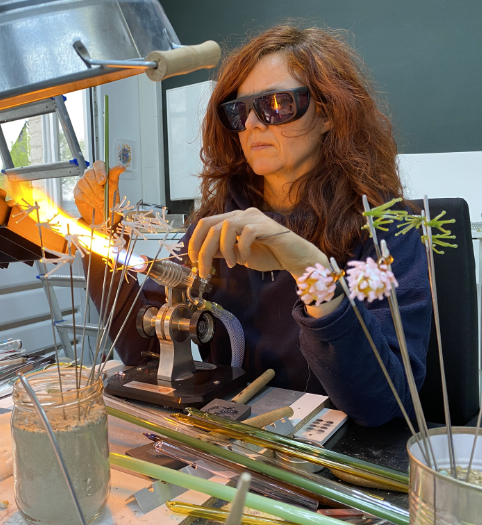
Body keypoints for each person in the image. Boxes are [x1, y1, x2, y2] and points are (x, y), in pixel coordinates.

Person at [74, 25, 431, 427]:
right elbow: (147, 354)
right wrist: (97, 234)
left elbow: (383, 404)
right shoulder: (217, 225)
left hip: (334, 456)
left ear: (329, 113)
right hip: (232, 442)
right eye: (240, 111)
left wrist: (310, 270)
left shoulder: (387, 228)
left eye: (277, 104)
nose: (254, 125)